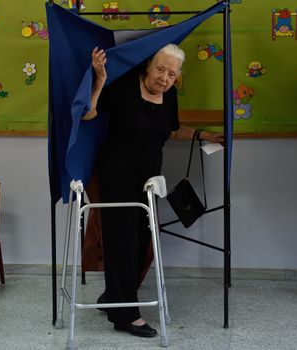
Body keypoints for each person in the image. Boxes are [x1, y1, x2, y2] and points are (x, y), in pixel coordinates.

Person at [82, 44, 223, 337]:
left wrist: (204, 135)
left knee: (140, 242)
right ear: (148, 66)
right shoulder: (122, 87)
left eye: (172, 74)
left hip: (149, 181)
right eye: (160, 69)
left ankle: (114, 297)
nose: (165, 78)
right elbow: (88, 114)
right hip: (117, 175)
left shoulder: (169, 96)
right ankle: (126, 315)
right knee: (122, 241)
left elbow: (172, 130)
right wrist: (98, 80)